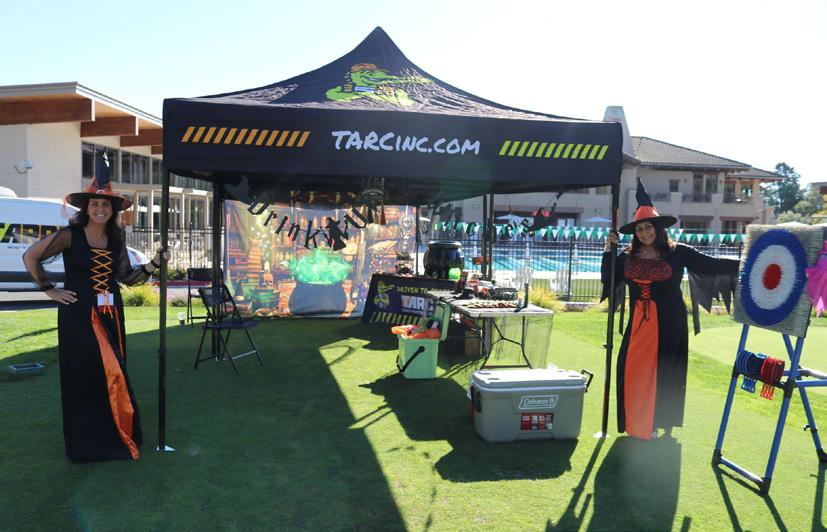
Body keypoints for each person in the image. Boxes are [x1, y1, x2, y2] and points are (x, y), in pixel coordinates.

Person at [22, 152, 168, 463]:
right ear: (86, 208)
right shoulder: (70, 235)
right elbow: (30, 256)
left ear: (113, 211)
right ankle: (90, 442)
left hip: (111, 312)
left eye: (106, 205)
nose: (101, 208)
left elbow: (127, 277)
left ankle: (114, 432)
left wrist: (154, 263)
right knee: (88, 373)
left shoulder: (116, 238)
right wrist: (49, 290)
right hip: (78, 314)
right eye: (95, 204)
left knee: (113, 371)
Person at [601, 178, 739, 441]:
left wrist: (746, 263)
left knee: (664, 372)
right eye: (640, 229)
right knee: (631, 368)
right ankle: (636, 421)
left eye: (648, 227)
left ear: (658, 228)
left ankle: (660, 423)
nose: (644, 233)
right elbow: (608, 279)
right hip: (639, 323)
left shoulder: (679, 252)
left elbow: (713, 264)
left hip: (670, 322)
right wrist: (609, 250)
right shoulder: (627, 256)